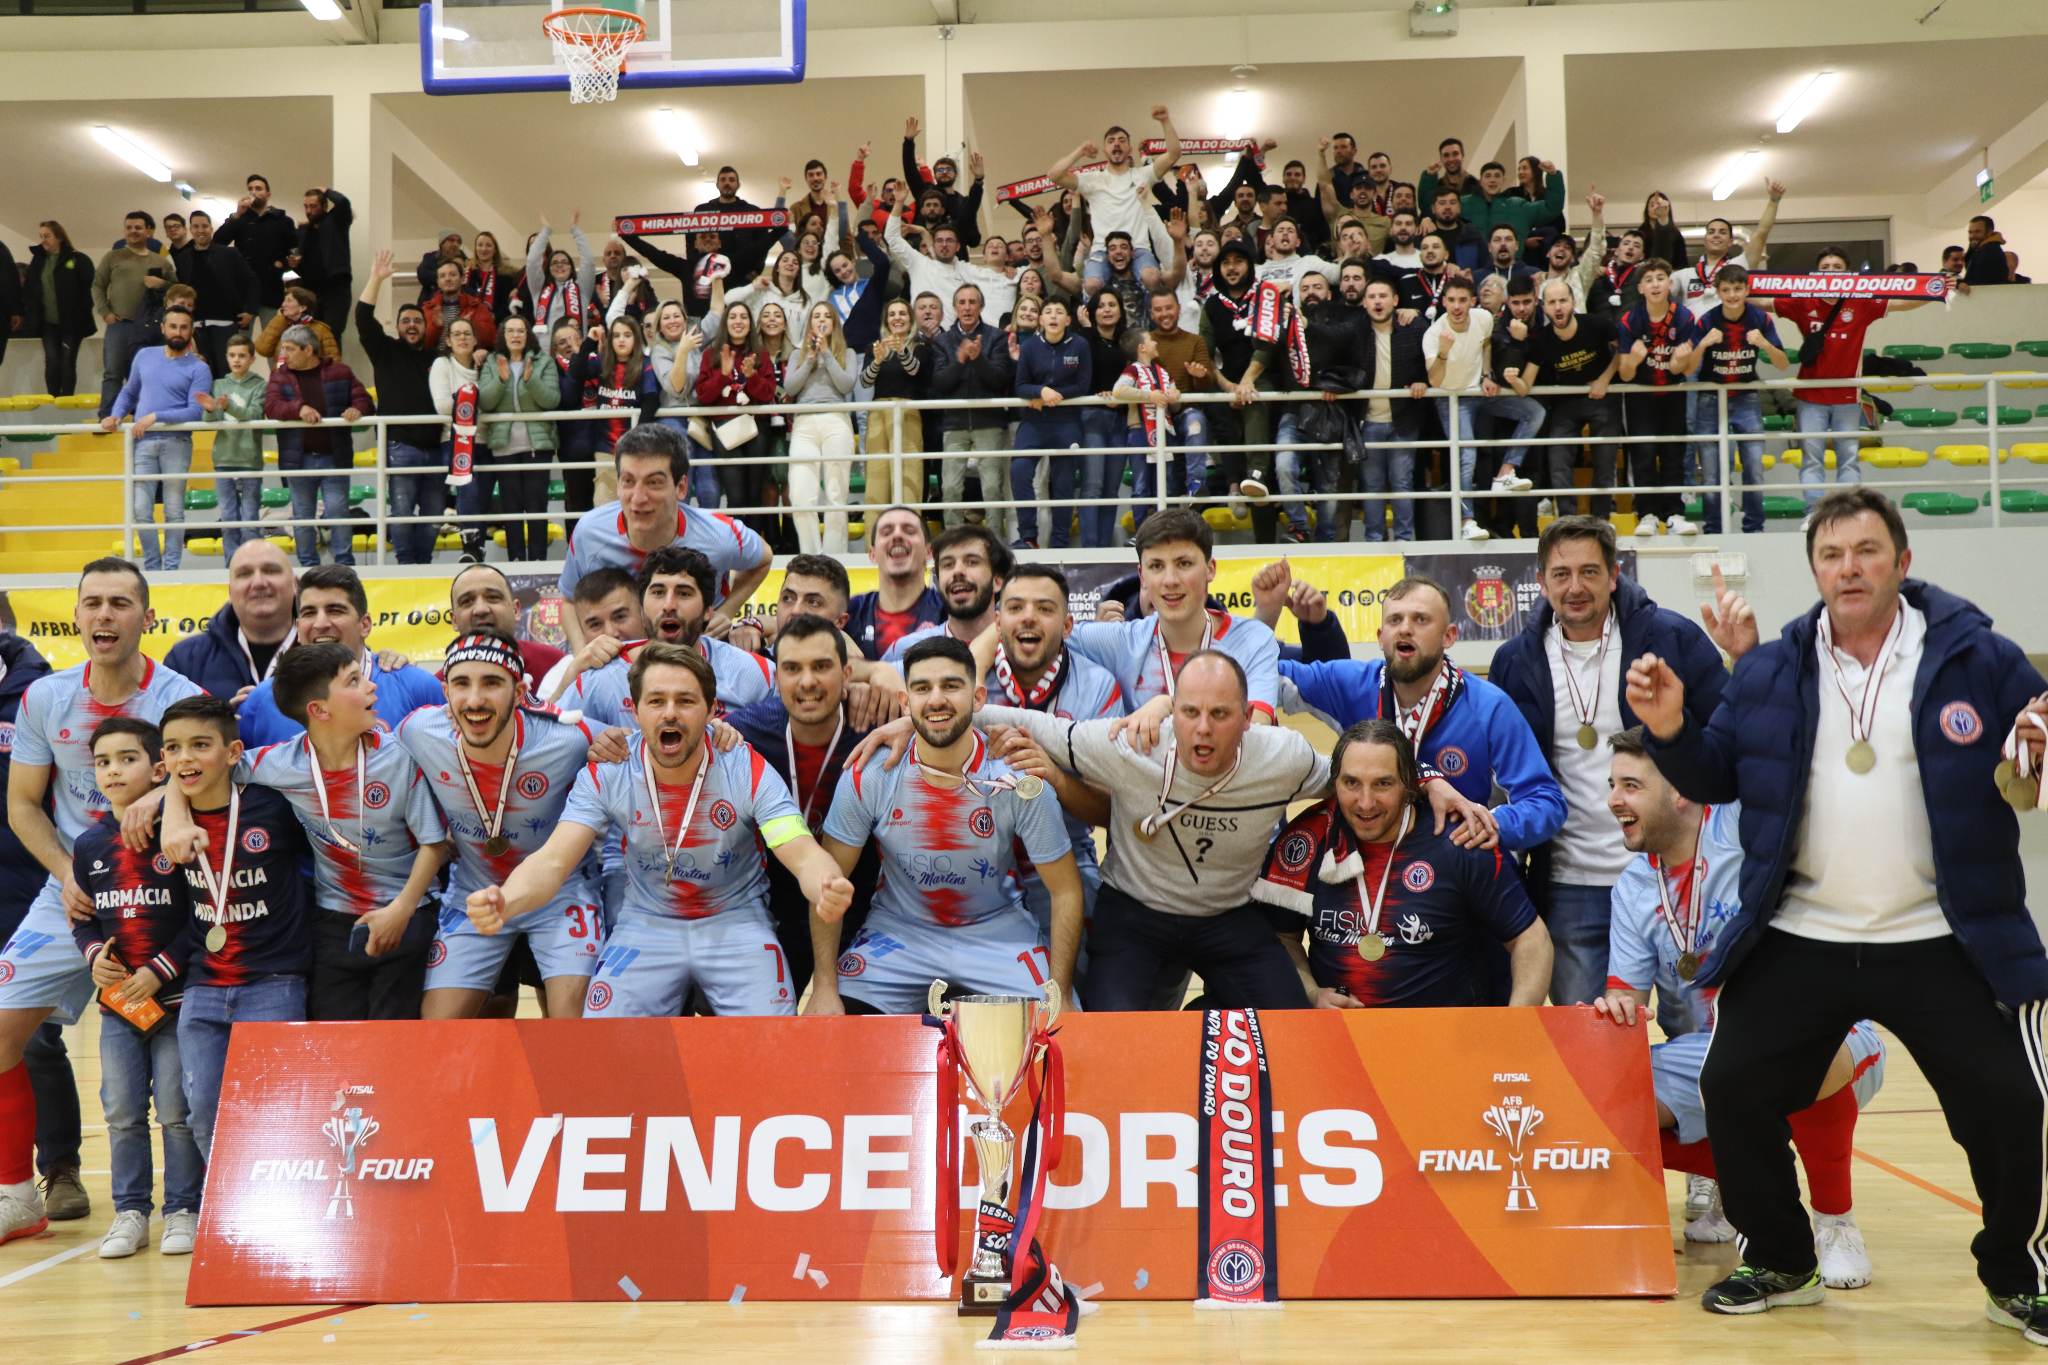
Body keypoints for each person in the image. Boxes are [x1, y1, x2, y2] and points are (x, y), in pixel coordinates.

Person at [1625, 488, 2048, 1328]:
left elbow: (2034, 745)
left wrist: (2039, 742)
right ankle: (1783, 1258)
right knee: (1732, 1082)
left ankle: (2017, 1274)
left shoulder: (1980, 656)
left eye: (1866, 550)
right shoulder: (1772, 669)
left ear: (1902, 560)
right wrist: (1671, 731)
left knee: (2012, 1105)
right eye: (1831, 554)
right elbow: (1717, 775)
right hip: (1801, 931)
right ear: (1814, 568)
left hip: (1944, 933)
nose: (1849, 567)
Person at [1596, 728, 1884, 1286]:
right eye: (1612, 785)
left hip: (1826, 1034)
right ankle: (1746, 1187)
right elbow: (1626, 996)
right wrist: (1614, 1011)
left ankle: (1834, 1222)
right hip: (1710, 1054)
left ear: (1680, 790)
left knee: (1805, 1052)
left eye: (1630, 786)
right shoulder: (1633, 887)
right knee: (1603, 1098)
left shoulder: (1742, 829)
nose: (1613, 800)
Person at [474, 642, 851, 1018]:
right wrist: (506, 900)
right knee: (604, 1036)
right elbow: (554, 860)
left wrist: (826, 884)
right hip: (646, 925)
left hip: (736, 922)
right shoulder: (611, 770)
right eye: (656, 701)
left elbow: (801, 851)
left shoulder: (744, 768)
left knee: (770, 1040)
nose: (670, 713)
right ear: (636, 710)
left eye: (685, 701)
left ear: (711, 710)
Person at [1487, 516, 1729, 1004]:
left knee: (1701, 1031)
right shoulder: (1514, 661)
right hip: (1570, 883)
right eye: (1561, 574)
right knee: (1592, 1038)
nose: (1575, 587)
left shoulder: (1673, 639)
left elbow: (1727, 737)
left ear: (1615, 575)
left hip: (1678, 873)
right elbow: (1505, 778)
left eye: (1590, 572)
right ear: (1541, 583)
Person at [813, 637, 1083, 1014]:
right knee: (837, 1026)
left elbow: (1066, 891)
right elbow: (828, 881)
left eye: (951, 686)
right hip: (898, 933)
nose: (936, 699)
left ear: (978, 697)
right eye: (922, 688)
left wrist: (1062, 994)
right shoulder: (869, 775)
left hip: (998, 933)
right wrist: (823, 986)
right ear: (905, 702)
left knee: (1056, 1033)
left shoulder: (1017, 779)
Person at [1254, 720, 1551, 1007]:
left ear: (1409, 784)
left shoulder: (1459, 842)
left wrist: (1517, 1025)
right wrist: (1311, 993)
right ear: (1335, 783)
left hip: (1447, 1035)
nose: (1365, 802)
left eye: (1383, 784)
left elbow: (1531, 939)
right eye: (1351, 783)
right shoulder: (1306, 842)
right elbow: (1282, 938)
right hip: (1340, 1034)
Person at [396, 630, 601, 1021]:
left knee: (574, 1029)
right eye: (461, 684)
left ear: (520, 693)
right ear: (445, 693)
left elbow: (644, 746)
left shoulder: (570, 737)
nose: (474, 700)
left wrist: (719, 734)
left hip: (561, 895)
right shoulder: (417, 732)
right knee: (436, 1030)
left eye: (491, 683)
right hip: (473, 891)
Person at [1280, 574, 1563, 856]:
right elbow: (1268, 676)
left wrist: (1481, 822)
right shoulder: (1349, 683)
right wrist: (1267, 613)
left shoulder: (1489, 707)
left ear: (1449, 636)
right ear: (1380, 637)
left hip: (1457, 869)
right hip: (1371, 868)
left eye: (1420, 620)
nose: (1405, 629)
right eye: (1395, 620)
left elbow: (1546, 804)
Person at [240, 645, 449, 1021]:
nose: (371, 685)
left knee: (393, 1035)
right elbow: (211, 768)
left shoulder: (400, 756)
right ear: (319, 710)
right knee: (333, 1037)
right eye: (353, 681)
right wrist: (167, 801)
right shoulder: (282, 763)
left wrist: (401, 911)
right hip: (333, 922)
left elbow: (435, 845)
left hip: (409, 911)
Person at [149, 695, 313, 1159]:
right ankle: (223, 1200)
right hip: (203, 986)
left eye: (200, 745)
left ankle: (276, 1198)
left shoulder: (272, 808)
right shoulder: (167, 824)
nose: (186, 758)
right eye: (174, 748)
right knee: (203, 1111)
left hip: (273, 982)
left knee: (272, 1111)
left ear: (233, 752)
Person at [68, 717, 201, 1260]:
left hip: (176, 1001)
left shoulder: (176, 834)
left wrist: (161, 970)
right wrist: (94, 957)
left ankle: (183, 1209)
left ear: (158, 768)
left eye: (128, 759)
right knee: (121, 1111)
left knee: (176, 1111)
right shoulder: (89, 844)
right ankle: (130, 1212)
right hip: (120, 1008)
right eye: (103, 762)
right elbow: (83, 919)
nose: (114, 770)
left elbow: (200, 916)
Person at [724, 614, 883, 991]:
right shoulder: (744, 730)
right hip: (770, 907)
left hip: (858, 905)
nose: (807, 681)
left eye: (821, 667)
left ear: (847, 675)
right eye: (792, 669)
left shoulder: (877, 729)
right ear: (777, 678)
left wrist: (905, 720)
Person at [975, 565, 1124, 942]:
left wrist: (1054, 777)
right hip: (975, 858)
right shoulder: (966, 681)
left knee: (1079, 968)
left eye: (1044, 608)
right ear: (997, 623)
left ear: (1068, 625)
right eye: (1016, 607)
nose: (1029, 617)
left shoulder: (1098, 687)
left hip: (1067, 852)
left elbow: (1110, 812)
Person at [558, 422, 772, 636]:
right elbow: (569, 600)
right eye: (628, 481)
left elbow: (764, 558)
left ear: (681, 487)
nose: (638, 498)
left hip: (697, 648)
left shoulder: (718, 535)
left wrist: (726, 611)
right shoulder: (589, 532)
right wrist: (583, 654)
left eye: (654, 483)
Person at [1062, 511, 1280, 717]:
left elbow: (1257, 728)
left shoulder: (1253, 640)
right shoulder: (1120, 642)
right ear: (1142, 576)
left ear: (1210, 569)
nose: (1170, 580)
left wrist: (1168, 706)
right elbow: (1047, 636)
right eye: (1156, 566)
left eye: (1184, 564)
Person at [1775, 247, 1933, 512]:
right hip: (1810, 398)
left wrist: (1936, 291)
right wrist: (1727, 291)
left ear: (1848, 273)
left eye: (1837, 267)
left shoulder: (1860, 302)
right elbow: (1764, 300)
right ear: (1816, 273)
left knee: (1848, 458)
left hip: (1848, 396)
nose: (1831, 272)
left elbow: (1901, 302)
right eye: (1825, 267)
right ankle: (1813, 513)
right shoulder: (1803, 301)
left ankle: (1849, 514)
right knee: (1812, 459)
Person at [233, 566, 445, 749]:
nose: (320, 624)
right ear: (298, 629)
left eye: (335, 611)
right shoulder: (260, 702)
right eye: (309, 613)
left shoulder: (419, 689)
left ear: (365, 625)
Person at [564, 548, 775, 725]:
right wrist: (597, 739)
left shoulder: (755, 673)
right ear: (641, 607)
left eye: (684, 593)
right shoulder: (601, 677)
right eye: (658, 592)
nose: (669, 605)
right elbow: (553, 736)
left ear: (708, 610)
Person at [99, 306, 212, 572]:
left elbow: (195, 411)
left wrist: (155, 416)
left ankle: (170, 569)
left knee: (173, 510)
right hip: (142, 442)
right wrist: (115, 415)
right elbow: (129, 392)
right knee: (140, 509)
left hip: (177, 443)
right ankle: (152, 568)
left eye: (184, 327)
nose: (178, 332)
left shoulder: (200, 368)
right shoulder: (144, 355)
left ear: (191, 331)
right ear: (163, 328)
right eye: (173, 326)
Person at [1682, 266, 1790, 535]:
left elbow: (1783, 364)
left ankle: (1754, 528)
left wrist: (1764, 344)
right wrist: (1703, 344)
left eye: (1738, 289)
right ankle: (1714, 529)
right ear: (1718, 292)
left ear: (1747, 290)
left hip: (1746, 398)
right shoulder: (1707, 320)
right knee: (1711, 472)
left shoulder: (1759, 318)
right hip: (1710, 399)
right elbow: (1688, 369)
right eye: (1726, 290)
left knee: (1754, 466)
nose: (1732, 295)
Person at [355, 250, 446, 565]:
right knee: (402, 511)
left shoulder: (437, 357)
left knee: (434, 513)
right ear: (397, 327)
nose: (411, 325)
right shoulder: (385, 351)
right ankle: (406, 565)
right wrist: (376, 278)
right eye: (405, 321)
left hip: (435, 446)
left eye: (417, 321)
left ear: (425, 326)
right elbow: (362, 317)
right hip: (400, 445)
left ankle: (424, 564)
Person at [1511, 279, 1622, 522]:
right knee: (1558, 460)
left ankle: (1602, 519)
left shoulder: (1596, 324)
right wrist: (1513, 380)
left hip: (1601, 398)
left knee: (1605, 461)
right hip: (1565, 402)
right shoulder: (1541, 338)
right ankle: (1566, 520)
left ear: (1573, 302)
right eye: (1552, 302)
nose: (1558, 307)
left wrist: (1604, 379)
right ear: (1544, 307)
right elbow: (1526, 384)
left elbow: (1622, 349)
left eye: (1563, 300)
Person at [263, 324, 372, 568]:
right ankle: (307, 568)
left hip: (334, 456)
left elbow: (363, 399)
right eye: (283, 349)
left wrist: (357, 409)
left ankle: (344, 566)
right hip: (298, 459)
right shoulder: (279, 375)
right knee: (302, 516)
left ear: (308, 350)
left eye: (290, 349)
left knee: (338, 512)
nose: (284, 354)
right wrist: (298, 408)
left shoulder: (341, 372)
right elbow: (271, 406)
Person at [1615, 259, 1704, 537]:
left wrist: (1680, 361)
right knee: (1642, 455)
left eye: (1660, 278)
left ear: (1669, 284)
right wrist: (1634, 360)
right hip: (1640, 397)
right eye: (1649, 279)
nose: (1655, 284)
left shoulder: (1684, 318)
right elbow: (1625, 374)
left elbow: (1683, 370)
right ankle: (1647, 515)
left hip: (1673, 396)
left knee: (1673, 455)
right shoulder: (1630, 320)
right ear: (1641, 288)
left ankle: (1674, 514)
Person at [1050, 106, 1180, 293]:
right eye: (1111, 141)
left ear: (1129, 148)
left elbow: (1174, 154)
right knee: (1091, 284)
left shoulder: (1142, 175)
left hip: (1138, 248)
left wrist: (1165, 121)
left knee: (1151, 277)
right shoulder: (1093, 180)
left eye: (1121, 140)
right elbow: (1054, 175)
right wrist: (1080, 152)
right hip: (1102, 249)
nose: (1116, 144)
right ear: (1105, 150)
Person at [930, 283, 1016, 537]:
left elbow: (1000, 380)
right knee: (950, 488)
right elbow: (940, 383)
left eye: (972, 302)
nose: (967, 307)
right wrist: (960, 361)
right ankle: (953, 542)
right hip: (954, 423)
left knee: (992, 488)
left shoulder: (996, 337)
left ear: (981, 306)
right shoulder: (942, 341)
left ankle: (995, 543)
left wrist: (977, 359)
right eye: (962, 302)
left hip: (989, 421)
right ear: (954, 307)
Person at [163, 540, 297, 704]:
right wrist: (221, 719)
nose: (259, 583)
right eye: (244, 574)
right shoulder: (185, 659)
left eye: (270, 571)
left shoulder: (322, 652)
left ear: (295, 584)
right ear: (230, 592)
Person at [479, 315, 562, 564]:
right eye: (510, 331)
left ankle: (538, 561)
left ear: (528, 335)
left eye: (521, 331)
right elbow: (485, 402)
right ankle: (515, 561)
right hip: (504, 446)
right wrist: (501, 380)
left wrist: (530, 379)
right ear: (503, 335)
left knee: (537, 508)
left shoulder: (543, 361)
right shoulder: (492, 362)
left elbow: (552, 400)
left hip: (538, 445)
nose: (515, 335)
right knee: (511, 509)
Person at [1010, 299, 1092, 550]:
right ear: (1041, 320)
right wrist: (1040, 391)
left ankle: (1060, 543)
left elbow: (1083, 385)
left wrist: (1053, 396)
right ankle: (1028, 537)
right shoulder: (1030, 346)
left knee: (1063, 483)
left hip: (1067, 421)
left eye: (1059, 312)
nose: (1053, 316)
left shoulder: (1080, 345)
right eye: (1048, 312)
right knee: (1019, 470)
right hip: (1034, 421)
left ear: (1068, 320)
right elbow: (1020, 386)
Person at [784, 300, 858, 554]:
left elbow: (846, 385)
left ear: (834, 323)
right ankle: (811, 555)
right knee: (800, 494)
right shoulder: (797, 354)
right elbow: (790, 387)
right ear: (810, 323)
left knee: (837, 494)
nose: (822, 320)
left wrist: (826, 353)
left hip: (836, 419)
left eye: (827, 316)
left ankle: (835, 556)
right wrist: (809, 360)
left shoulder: (847, 353)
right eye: (817, 316)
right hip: (804, 423)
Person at [881, 524, 1012, 663]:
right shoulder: (905, 650)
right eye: (948, 564)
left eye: (972, 562)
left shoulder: (1019, 648)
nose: (957, 571)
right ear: (938, 582)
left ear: (997, 581)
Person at [93, 211, 176, 419]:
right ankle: (107, 417)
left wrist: (162, 284)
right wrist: (105, 312)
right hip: (119, 325)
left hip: (149, 328)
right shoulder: (112, 257)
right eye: (128, 227)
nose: (133, 231)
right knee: (113, 373)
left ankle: (143, 416)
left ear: (148, 231)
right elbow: (97, 286)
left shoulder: (161, 262)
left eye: (138, 227)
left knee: (146, 374)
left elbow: (177, 290)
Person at [191, 333, 267, 557]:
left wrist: (228, 406)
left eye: (242, 356)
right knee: (228, 517)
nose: (236, 360)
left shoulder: (260, 385)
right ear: (226, 357)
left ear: (252, 359)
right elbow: (211, 421)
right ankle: (232, 565)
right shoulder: (219, 384)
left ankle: (252, 562)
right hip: (223, 459)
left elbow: (253, 414)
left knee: (250, 518)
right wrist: (209, 409)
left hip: (249, 459)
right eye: (232, 355)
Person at [447, 563, 564, 697]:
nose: (481, 609)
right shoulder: (439, 685)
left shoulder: (555, 665)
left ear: (516, 610)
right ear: (454, 620)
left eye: (493, 597)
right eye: (467, 601)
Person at [846, 506, 946, 661]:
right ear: (872, 554)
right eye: (886, 532)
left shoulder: (948, 610)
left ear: (928, 552)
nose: (897, 535)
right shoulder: (851, 612)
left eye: (909, 531)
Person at [860, 297, 930, 510]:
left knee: (908, 474)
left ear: (910, 319)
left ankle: (909, 524)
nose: (897, 318)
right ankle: (876, 529)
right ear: (886, 321)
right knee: (877, 475)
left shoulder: (920, 346)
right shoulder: (875, 347)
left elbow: (914, 370)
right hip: (878, 412)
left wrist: (901, 351)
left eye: (902, 313)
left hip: (907, 412)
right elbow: (864, 381)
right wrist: (877, 360)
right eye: (892, 314)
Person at [174, 210, 257, 377]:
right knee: (202, 373)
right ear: (191, 230)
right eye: (196, 226)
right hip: (196, 325)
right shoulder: (183, 258)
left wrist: (250, 310)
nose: (201, 230)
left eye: (204, 226)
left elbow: (252, 282)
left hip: (225, 323)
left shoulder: (229, 253)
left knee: (227, 373)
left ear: (211, 229)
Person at [24, 221, 98, 398]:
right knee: (52, 361)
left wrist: (81, 313)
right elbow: (30, 289)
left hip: (72, 323)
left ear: (59, 237)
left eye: (47, 236)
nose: (43, 240)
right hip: (48, 323)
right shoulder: (38, 261)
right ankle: (53, 400)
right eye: (41, 236)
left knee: (67, 362)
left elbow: (88, 290)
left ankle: (66, 401)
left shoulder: (78, 260)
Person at [213, 174, 297, 321]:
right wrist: (237, 215)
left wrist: (282, 265)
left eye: (258, 188)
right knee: (241, 333)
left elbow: (294, 248)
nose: (254, 192)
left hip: (271, 287)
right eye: (250, 189)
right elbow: (218, 242)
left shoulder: (282, 221)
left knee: (271, 333)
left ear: (268, 194)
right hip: (243, 288)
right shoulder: (240, 219)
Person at [294, 186, 353, 338]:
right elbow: (301, 262)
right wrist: (295, 265)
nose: (309, 211)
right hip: (310, 291)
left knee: (331, 335)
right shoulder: (303, 231)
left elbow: (343, 203)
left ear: (324, 206)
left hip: (335, 288)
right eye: (306, 206)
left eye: (313, 206)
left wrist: (327, 191)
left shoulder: (335, 221)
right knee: (308, 336)